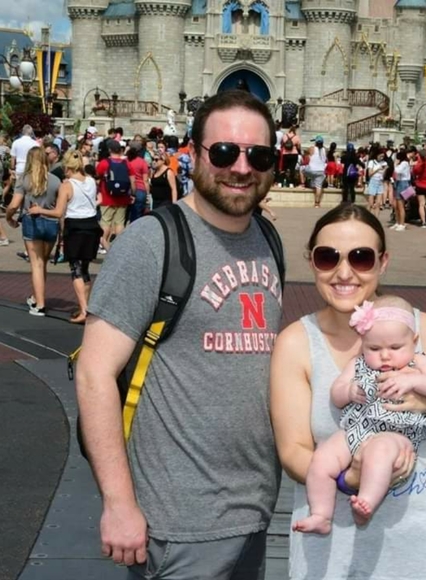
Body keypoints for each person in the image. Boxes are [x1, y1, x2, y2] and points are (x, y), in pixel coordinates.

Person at [75, 89, 284, 579]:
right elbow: (93, 375)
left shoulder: (268, 239)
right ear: (193, 152)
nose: (241, 168)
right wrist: (118, 503)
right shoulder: (152, 242)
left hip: (255, 511)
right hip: (177, 524)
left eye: (258, 155)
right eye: (224, 152)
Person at [271, 203, 426, 579]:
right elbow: (293, 451)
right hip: (330, 560)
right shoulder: (297, 342)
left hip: (423, 556)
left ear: (383, 262)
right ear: (311, 262)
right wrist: (348, 477)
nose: (344, 272)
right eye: (327, 257)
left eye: (361, 257)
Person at [293, 295, 426, 534]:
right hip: (358, 428)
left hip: (396, 433)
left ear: (414, 341)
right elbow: (336, 394)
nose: (385, 355)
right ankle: (321, 514)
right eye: (374, 348)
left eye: (395, 347)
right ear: (363, 342)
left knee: (379, 452)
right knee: (322, 458)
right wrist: (349, 391)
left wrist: (414, 381)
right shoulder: (357, 364)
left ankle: (366, 502)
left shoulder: (418, 363)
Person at [24, 150, 101, 324]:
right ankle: (84, 306)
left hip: (75, 226)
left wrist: (39, 210)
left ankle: (84, 310)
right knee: (85, 269)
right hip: (92, 225)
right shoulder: (90, 181)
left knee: (76, 269)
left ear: (67, 167)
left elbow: (59, 212)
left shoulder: (67, 185)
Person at [5, 147, 61, 316]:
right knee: (43, 262)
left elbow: (14, 204)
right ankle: (37, 296)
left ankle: (40, 303)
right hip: (51, 221)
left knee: (36, 263)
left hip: (33, 221)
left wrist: (9, 218)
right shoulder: (55, 180)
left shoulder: (25, 179)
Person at [308, 135, 327, 208]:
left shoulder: (311, 148)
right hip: (321, 171)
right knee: (319, 187)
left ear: (315, 142)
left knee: (302, 169)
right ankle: (317, 203)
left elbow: (308, 154)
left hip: (311, 170)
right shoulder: (325, 150)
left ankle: (302, 183)